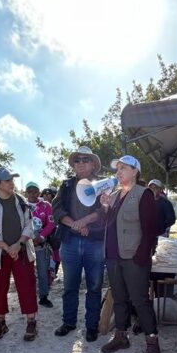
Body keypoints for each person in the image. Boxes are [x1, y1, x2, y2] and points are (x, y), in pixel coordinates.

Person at [100, 156, 160, 353]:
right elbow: (108, 224)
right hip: (113, 256)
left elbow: (150, 229)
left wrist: (141, 257)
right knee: (119, 298)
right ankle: (121, 336)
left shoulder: (144, 195)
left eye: (123, 168)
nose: (118, 172)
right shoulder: (115, 195)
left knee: (140, 300)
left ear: (135, 171)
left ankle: (152, 341)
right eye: (117, 168)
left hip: (134, 257)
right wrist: (106, 208)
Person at [51, 146, 106, 342]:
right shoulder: (65, 185)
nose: (80, 162)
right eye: (77, 160)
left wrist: (86, 221)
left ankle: (92, 326)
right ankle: (69, 322)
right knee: (69, 286)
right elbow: (56, 209)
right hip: (71, 241)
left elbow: (105, 211)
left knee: (94, 286)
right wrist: (73, 224)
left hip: (94, 243)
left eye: (85, 159)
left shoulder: (103, 185)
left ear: (93, 164)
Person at [0, 167, 38, 341]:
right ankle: (0, 322)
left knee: (27, 286)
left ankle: (31, 321)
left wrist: (18, 244)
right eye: (8, 181)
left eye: (12, 180)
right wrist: (7, 247)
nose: (12, 183)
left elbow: (29, 224)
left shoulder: (20, 201)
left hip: (21, 251)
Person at [24, 181, 56, 307]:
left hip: (41, 243)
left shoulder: (46, 205)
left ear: (39, 191)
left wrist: (41, 236)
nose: (32, 193)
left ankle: (43, 296)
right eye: (30, 190)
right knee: (27, 272)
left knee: (43, 271)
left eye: (35, 190)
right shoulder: (22, 205)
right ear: (26, 192)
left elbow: (51, 223)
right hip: (25, 244)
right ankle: (28, 296)